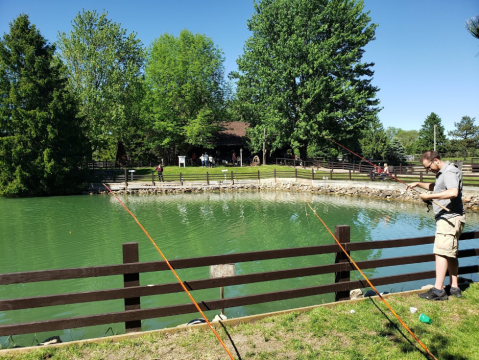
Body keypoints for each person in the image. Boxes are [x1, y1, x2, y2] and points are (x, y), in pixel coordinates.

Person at [408, 150, 465, 301]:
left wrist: (429, 197)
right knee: (450, 253)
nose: (428, 170)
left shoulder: (449, 171)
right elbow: (438, 187)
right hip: (451, 219)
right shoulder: (442, 172)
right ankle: (454, 287)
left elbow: (453, 192)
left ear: (435, 160)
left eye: (428, 167)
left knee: (440, 252)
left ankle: (438, 291)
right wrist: (419, 184)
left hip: (449, 219)